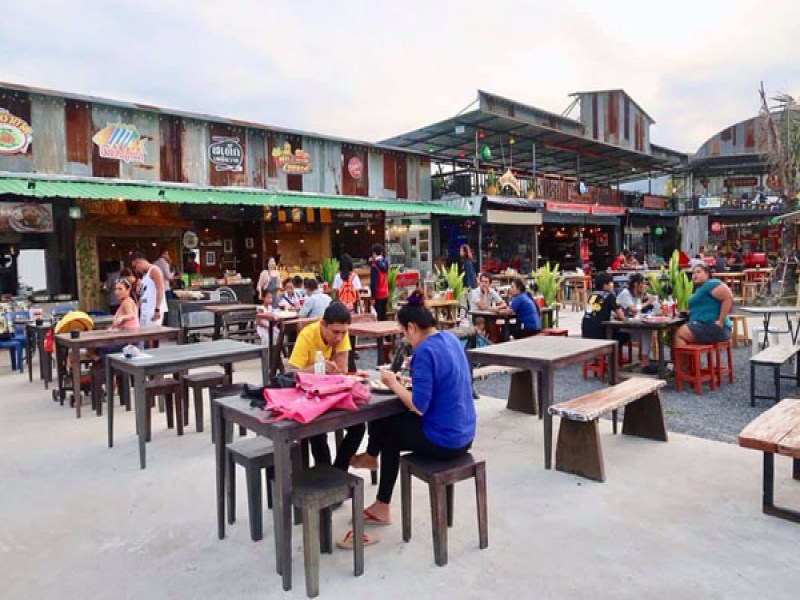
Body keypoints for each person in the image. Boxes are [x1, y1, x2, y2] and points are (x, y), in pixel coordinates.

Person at [350, 290, 475, 527]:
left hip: (444, 440)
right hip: (465, 434)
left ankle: (381, 501)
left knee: (388, 430)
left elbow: (418, 406)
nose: (406, 339)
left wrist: (393, 382)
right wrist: (408, 382)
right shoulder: (450, 339)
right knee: (390, 423)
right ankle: (371, 458)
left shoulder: (424, 351)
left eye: (404, 333)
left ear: (412, 327)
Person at [287, 302, 365, 472]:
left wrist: (332, 368)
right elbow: (291, 373)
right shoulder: (307, 336)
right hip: (309, 395)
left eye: (343, 332)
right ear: (323, 324)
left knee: (359, 426)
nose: (339, 337)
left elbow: (342, 368)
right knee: (317, 432)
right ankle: (325, 471)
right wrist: (315, 369)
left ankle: (339, 470)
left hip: (332, 393)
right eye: (335, 332)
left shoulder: (342, 334)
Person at [673, 264, 733, 348]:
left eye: (698, 272)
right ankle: (688, 357)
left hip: (714, 326)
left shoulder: (711, 283)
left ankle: (684, 357)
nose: (695, 275)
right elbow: (704, 307)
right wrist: (689, 312)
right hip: (703, 325)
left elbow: (728, 297)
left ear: (707, 274)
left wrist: (720, 321)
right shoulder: (700, 289)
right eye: (693, 273)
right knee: (677, 330)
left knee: (680, 334)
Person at [616, 273, 658, 374]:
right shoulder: (625, 293)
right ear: (636, 284)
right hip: (618, 327)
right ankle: (645, 362)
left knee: (647, 330)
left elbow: (637, 314)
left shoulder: (638, 295)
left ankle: (645, 361)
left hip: (629, 324)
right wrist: (648, 302)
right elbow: (634, 309)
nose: (645, 286)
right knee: (646, 331)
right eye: (643, 283)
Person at [582, 272, 628, 344]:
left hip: (586, 332)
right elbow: (621, 316)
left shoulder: (592, 295)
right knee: (625, 336)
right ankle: (612, 351)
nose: (613, 285)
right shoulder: (610, 296)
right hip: (600, 333)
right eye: (611, 283)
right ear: (605, 285)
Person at [131, 251, 167, 326]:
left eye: (135, 267)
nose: (136, 270)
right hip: (145, 309)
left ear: (138, 262)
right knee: (143, 331)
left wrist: (157, 309)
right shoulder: (144, 275)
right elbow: (143, 294)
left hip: (152, 309)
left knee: (152, 331)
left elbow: (160, 289)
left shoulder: (154, 270)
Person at [368, 244, 390, 321]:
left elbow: (374, 283)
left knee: (378, 317)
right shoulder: (386, 262)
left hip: (378, 294)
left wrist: (373, 296)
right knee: (384, 315)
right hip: (385, 292)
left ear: (374, 253)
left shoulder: (374, 266)